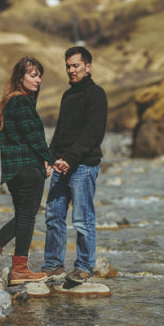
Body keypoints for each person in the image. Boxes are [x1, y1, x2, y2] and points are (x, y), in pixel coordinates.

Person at [0, 56, 52, 284]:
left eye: (39, 76)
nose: (38, 80)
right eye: (33, 75)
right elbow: (35, 138)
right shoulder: (21, 102)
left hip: (15, 171)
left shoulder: (11, 101)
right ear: (21, 77)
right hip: (27, 170)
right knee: (27, 218)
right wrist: (49, 160)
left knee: (21, 217)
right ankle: (19, 269)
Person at [43, 45, 107, 285]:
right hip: (61, 165)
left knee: (82, 219)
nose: (71, 70)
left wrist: (69, 159)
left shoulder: (97, 95)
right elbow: (60, 133)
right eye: (68, 66)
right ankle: (53, 265)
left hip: (83, 166)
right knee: (53, 216)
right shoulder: (67, 96)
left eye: (76, 65)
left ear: (88, 67)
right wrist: (49, 159)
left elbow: (93, 134)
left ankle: (84, 266)